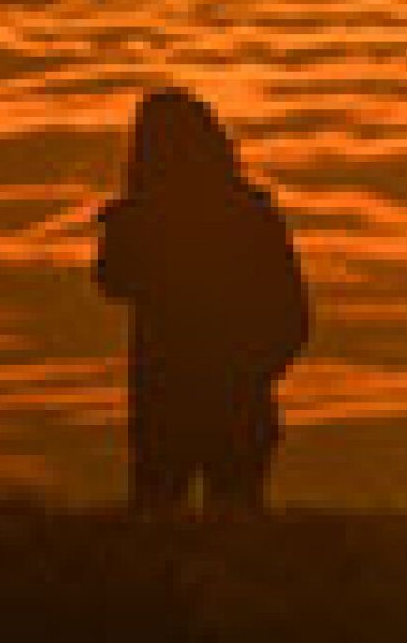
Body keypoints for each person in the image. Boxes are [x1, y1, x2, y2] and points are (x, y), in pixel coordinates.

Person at [95, 88, 309, 515]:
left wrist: (254, 368)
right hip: (205, 397)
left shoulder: (240, 216)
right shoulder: (250, 213)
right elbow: (113, 280)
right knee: (211, 516)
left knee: (172, 515)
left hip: (192, 395)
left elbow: (113, 279)